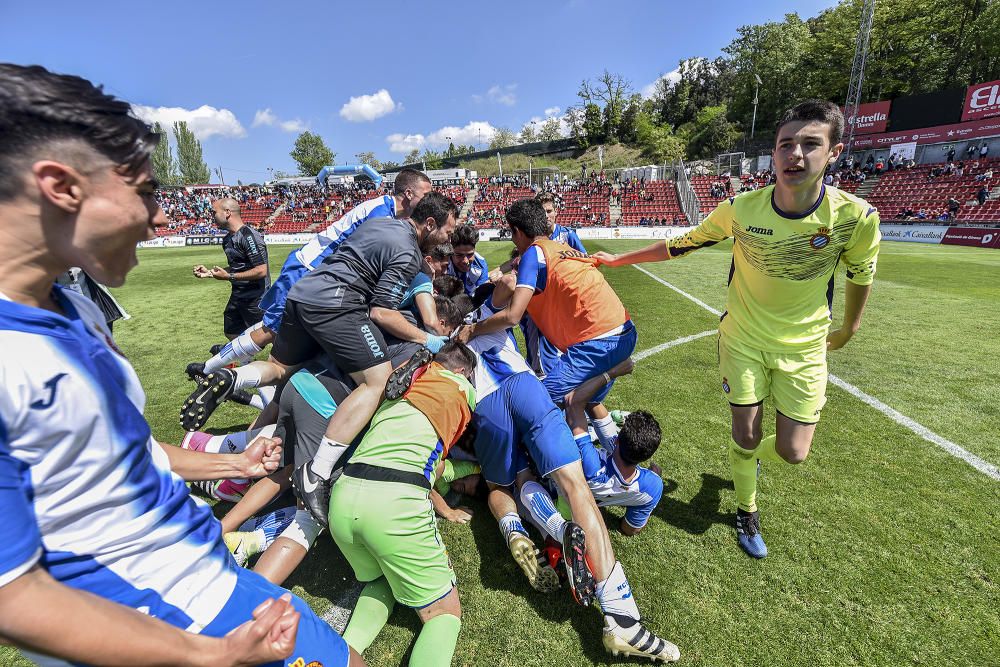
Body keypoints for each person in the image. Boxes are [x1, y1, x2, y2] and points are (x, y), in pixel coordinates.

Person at [0, 63, 362, 667]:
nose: (163, 219)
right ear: (61, 186)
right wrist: (206, 656)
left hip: (200, 576)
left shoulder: (71, 308)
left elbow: (118, 451)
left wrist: (236, 460)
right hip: (159, 623)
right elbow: (12, 597)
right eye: (142, 192)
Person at [594, 99, 881, 559]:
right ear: (775, 151)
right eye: (787, 144)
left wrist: (849, 328)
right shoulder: (741, 210)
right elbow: (679, 245)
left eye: (811, 144)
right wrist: (618, 259)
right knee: (745, 435)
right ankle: (747, 508)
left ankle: (744, 466)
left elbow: (861, 274)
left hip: (805, 347)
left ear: (835, 152)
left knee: (793, 452)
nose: (796, 155)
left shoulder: (856, 218)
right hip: (743, 339)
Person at [183, 193, 459, 525]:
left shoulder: (382, 223)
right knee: (377, 380)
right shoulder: (408, 252)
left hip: (301, 294)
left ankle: (234, 378)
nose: (448, 238)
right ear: (430, 224)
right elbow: (381, 312)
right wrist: (427, 338)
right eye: (447, 231)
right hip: (337, 304)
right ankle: (318, 471)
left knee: (281, 368)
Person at [454, 286, 680, 663]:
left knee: (504, 482)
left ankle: (538, 531)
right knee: (577, 488)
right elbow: (510, 288)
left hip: (487, 403)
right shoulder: (484, 315)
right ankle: (623, 617)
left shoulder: (444, 340)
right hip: (524, 386)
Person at [193, 169, 432, 378]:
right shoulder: (382, 214)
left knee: (279, 339)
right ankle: (208, 370)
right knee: (271, 332)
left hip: (316, 272)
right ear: (409, 194)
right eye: (426, 195)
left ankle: (217, 371)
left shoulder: (385, 210)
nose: (429, 201)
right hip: (309, 269)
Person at [329, 341, 477, 667]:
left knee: (380, 579)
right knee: (443, 613)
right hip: (394, 506)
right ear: (464, 371)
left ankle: (339, 656)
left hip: (344, 495)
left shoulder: (404, 381)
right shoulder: (463, 387)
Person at [193, 198, 270, 340]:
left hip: (256, 299)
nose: (212, 216)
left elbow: (261, 270)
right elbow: (237, 268)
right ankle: (244, 361)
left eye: (214, 212)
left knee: (270, 336)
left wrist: (229, 277)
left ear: (227, 212)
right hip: (238, 296)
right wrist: (210, 273)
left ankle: (288, 362)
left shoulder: (249, 236)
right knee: (231, 331)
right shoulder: (227, 239)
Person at [446, 223, 490, 296]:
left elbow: (481, 297)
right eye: (459, 255)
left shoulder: (481, 265)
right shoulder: (444, 264)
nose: (465, 261)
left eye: (470, 255)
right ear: (451, 251)